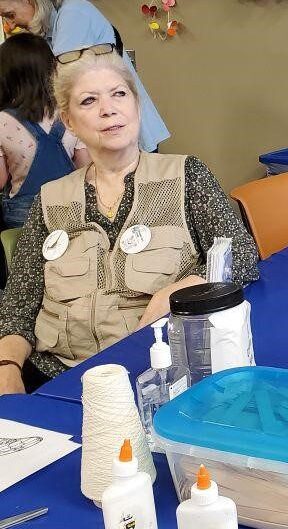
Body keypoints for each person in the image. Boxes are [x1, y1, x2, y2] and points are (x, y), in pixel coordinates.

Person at [0, 46, 258, 395]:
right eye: (89, 101)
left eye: (119, 94)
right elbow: (18, 303)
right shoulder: (49, 199)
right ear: (69, 121)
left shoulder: (186, 176)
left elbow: (240, 254)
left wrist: (176, 291)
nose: (109, 110)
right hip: (58, 380)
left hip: (158, 373)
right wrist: (8, 367)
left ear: (136, 106)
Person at [0, 0, 170, 152]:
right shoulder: (54, 27)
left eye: (10, 15)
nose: (11, 24)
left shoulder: (74, 14)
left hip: (121, 129)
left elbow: (61, 82)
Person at [0, 32, 89, 228]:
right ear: (51, 70)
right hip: (70, 208)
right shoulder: (71, 113)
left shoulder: (2, 121)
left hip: (22, 215)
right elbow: (85, 169)